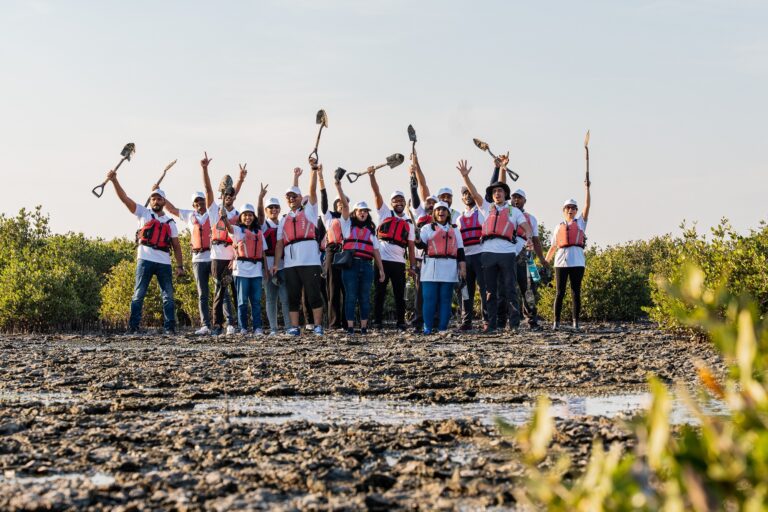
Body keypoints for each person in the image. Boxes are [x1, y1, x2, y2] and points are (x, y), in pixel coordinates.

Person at [458, 157, 532, 333]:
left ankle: (513, 324)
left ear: (505, 194)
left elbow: (526, 227)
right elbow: (474, 193)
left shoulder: (513, 211)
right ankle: (490, 325)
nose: (497, 193)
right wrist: (465, 177)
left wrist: (528, 237)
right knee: (490, 292)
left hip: (507, 253)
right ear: (492, 196)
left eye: (500, 191)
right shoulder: (486, 208)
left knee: (510, 290)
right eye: (495, 192)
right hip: (488, 253)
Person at [105, 170, 184, 334]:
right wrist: (114, 181)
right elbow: (125, 199)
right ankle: (133, 327)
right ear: (151, 200)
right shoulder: (143, 213)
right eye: (153, 198)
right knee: (138, 294)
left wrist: (180, 266)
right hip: (145, 259)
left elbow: (176, 246)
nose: (156, 201)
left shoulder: (170, 222)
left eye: (159, 198)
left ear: (164, 201)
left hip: (164, 262)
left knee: (168, 296)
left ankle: (169, 328)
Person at [271, 159, 325, 336]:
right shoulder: (284, 219)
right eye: (288, 197)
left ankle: (317, 326)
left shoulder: (309, 211)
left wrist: (313, 170)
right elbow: (279, 243)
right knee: (293, 296)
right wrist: (276, 264)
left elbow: (312, 190)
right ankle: (294, 327)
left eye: (294, 196)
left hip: (310, 260)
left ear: (300, 199)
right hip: (291, 263)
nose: (291, 198)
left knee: (313, 295)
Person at [201, 153, 247, 335]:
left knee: (236, 292)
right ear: (223, 196)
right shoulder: (214, 212)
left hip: (233, 257)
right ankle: (217, 325)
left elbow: (232, 192)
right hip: (217, 257)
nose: (228, 197)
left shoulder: (238, 213)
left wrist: (240, 180)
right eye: (226, 195)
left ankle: (238, 325)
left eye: (231, 195)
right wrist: (204, 169)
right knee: (219, 291)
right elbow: (207, 190)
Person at [368, 166, 417, 331]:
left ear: (404, 202)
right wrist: (372, 177)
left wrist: (412, 266)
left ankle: (401, 322)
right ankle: (377, 321)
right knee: (380, 292)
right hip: (382, 260)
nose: (399, 203)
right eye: (395, 200)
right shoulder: (385, 213)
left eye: (401, 200)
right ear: (391, 203)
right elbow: (376, 194)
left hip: (398, 261)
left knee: (399, 293)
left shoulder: (408, 223)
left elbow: (410, 246)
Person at [334, 179, 386, 335]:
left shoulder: (371, 231)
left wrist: (381, 270)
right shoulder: (347, 225)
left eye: (365, 211)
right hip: (351, 265)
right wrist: (339, 187)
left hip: (367, 266)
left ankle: (364, 328)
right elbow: (345, 205)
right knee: (350, 296)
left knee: (364, 297)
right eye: (360, 211)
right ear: (355, 213)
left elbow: (376, 251)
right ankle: (350, 328)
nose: (363, 213)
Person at [161, 191, 213, 335]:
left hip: (213, 257)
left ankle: (226, 324)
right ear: (193, 204)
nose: (200, 203)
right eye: (197, 201)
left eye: (202, 200)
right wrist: (159, 193)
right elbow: (171, 209)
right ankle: (205, 325)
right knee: (202, 293)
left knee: (221, 290)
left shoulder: (213, 213)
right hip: (198, 259)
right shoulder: (190, 216)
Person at [546, 181, 591, 330]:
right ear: (563, 210)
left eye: (572, 208)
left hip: (577, 261)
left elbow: (587, 206)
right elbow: (553, 246)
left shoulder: (580, 223)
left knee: (575, 292)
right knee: (560, 292)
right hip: (560, 262)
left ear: (576, 210)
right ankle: (556, 322)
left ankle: (575, 322)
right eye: (567, 208)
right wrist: (545, 262)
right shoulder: (558, 226)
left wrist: (587, 189)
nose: (570, 210)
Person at [419, 202, 467, 333]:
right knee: (429, 298)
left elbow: (461, 250)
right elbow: (420, 245)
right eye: (438, 209)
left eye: (444, 209)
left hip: (449, 267)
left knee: (445, 299)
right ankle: (427, 328)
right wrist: (417, 238)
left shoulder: (455, 229)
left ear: (448, 213)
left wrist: (462, 268)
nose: (441, 212)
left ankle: (442, 328)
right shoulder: (427, 228)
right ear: (434, 213)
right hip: (430, 267)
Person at [224, 203, 268, 335]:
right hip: (241, 269)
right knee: (242, 301)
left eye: (250, 215)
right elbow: (228, 227)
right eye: (245, 215)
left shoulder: (259, 232)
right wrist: (224, 216)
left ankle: (257, 327)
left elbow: (263, 252)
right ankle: (243, 327)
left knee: (256, 301)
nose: (248, 217)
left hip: (256, 269)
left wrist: (265, 269)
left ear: (253, 217)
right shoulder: (237, 230)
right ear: (241, 217)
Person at [510, 188, 550, 329]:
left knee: (528, 288)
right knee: (509, 288)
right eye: (514, 197)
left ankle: (531, 319)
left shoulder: (531, 218)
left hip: (525, 256)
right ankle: (511, 320)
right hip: (508, 254)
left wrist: (542, 259)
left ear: (524, 201)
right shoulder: (506, 214)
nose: (516, 200)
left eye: (519, 198)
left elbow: (536, 240)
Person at [319, 166, 346, 330]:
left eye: (345, 203)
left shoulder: (349, 219)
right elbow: (323, 200)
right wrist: (321, 177)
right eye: (340, 203)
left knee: (347, 290)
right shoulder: (328, 218)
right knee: (332, 289)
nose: (342, 205)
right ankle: (334, 324)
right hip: (332, 252)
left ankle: (347, 322)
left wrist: (339, 186)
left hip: (347, 253)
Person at [457, 185, 487, 330]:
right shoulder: (458, 219)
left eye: (470, 193)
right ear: (462, 198)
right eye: (465, 194)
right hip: (466, 258)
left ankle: (486, 320)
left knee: (484, 289)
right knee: (466, 290)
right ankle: (466, 321)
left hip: (480, 255)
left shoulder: (481, 213)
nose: (468, 196)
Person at [260, 195, 291, 335]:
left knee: (285, 298)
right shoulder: (262, 225)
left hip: (283, 265)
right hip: (268, 266)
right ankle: (273, 328)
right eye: (270, 207)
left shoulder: (283, 224)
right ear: (266, 210)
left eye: (276, 207)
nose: (273, 209)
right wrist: (260, 198)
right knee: (271, 299)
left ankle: (289, 327)